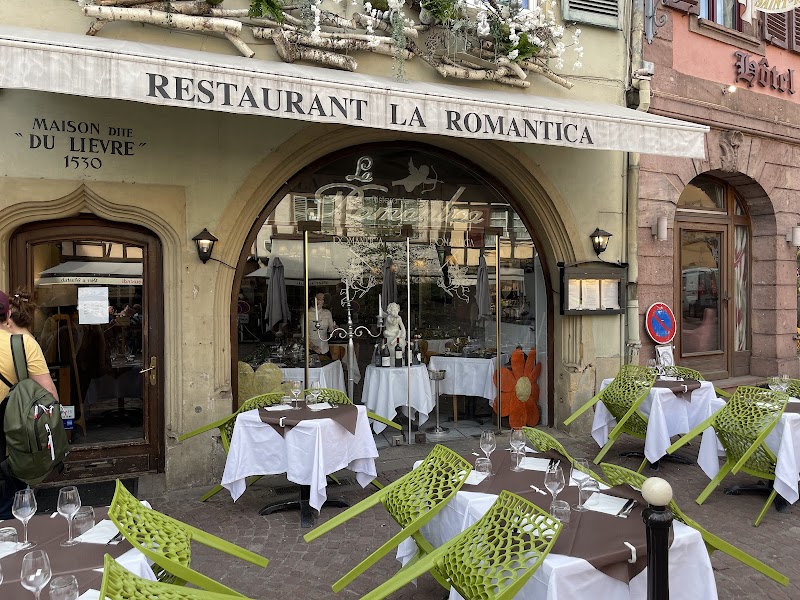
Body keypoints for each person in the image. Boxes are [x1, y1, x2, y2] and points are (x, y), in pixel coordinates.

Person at [0, 290, 59, 519]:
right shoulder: (22, 343)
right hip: (10, 443)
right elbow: (49, 396)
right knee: (11, 510)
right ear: (7, 317)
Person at [307, 292, 337, 357]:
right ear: (312, 300)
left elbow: (332, 331)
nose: (321, 301)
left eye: (323, 299)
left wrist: (336, 330)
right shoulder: (307, 315)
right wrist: (313, 346)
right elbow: (304, 337)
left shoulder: (327, 313)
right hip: (311, 351)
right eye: (319, 299)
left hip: (325, 349)